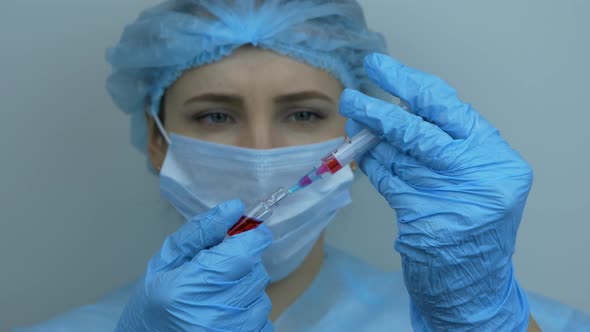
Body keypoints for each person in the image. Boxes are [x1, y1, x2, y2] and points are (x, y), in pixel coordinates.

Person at [16, 1, 590, 331]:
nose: (261, 150)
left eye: (304, 115)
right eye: (216, 116)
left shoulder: (524, 324)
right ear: (158, 139)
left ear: (357, 141)